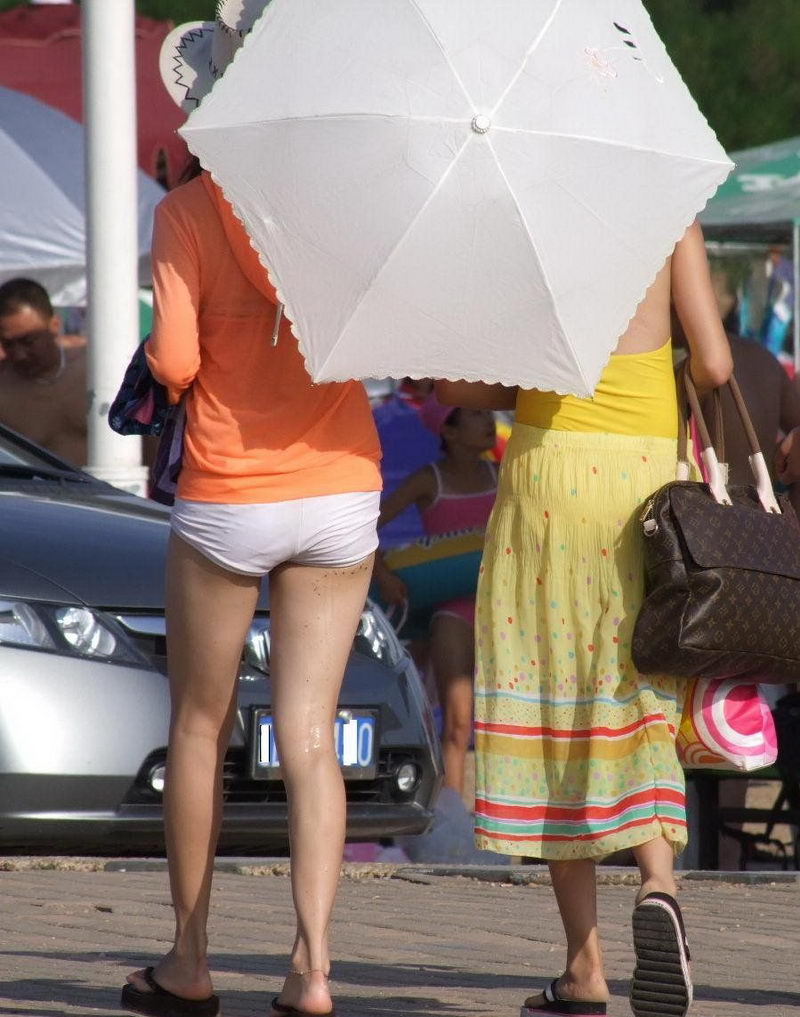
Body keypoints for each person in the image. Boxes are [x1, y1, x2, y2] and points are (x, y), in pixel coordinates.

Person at [121, 8, 382, 1017]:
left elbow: (178, 366)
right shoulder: (343, 208)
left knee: (198, 724)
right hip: (339, 484)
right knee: (309, 734)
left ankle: (189, 962)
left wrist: (151, 364)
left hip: (232, 493)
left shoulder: (186, 216)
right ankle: (311, 971)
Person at [437, 219, 732, 1017]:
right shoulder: (668, 210)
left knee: (558, 703)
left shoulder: (526, 214)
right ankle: (660, 884)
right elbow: (714, 363)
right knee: (635, 687)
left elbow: (459, 388)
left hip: (546, 475)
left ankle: (584, 969)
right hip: (640, 477)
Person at [374, 396, 497, 795]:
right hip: (454, 615)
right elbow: (363, 527)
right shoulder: (430, 479)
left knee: (507, 726)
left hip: (503, 612)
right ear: (449, 431)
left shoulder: (504, 475)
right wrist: (385, 575)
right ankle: (453, 824)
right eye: (477, 413)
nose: (490, 421)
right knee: (458, 724)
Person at [0, 277, 87, 466]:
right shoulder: (4, 390)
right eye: (8, 344)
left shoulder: (94, 369)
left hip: (118, 491)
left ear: (55, 325)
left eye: (28, 341)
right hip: (39, 493)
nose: (19, 354)